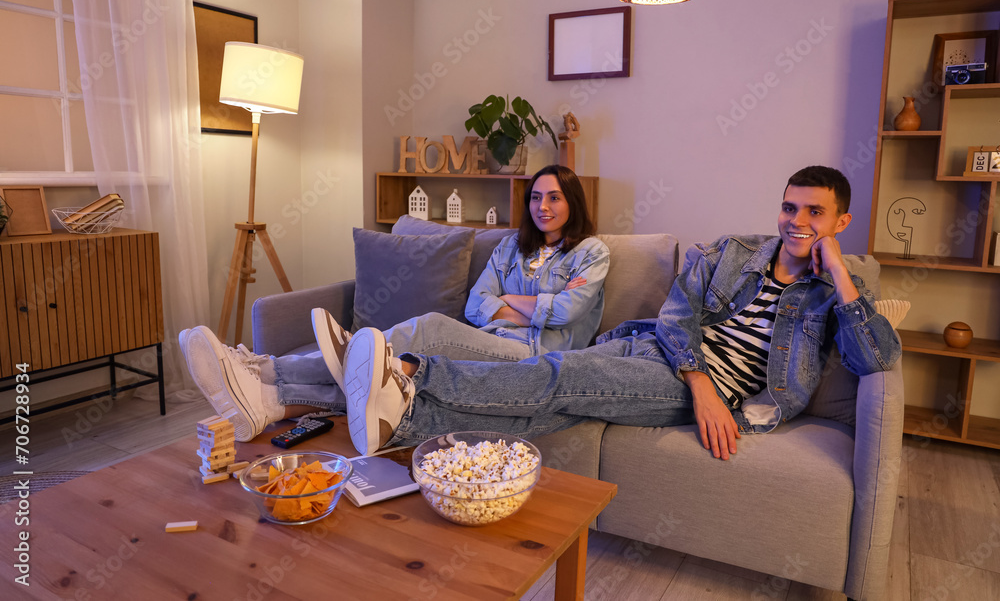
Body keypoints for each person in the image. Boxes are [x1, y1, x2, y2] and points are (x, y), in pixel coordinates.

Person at [337, 165, 902, 457]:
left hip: (682, 385)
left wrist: (843, 279)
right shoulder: (734, 251)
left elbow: (876, 359)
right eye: (788, 207)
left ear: (839, 222)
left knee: (558, 376)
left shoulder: (836, 294)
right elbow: (677, 314)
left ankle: (409, 375)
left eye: (814, 213)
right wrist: (701, 383)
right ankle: (398, 423)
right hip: (656, 352)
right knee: (552, 410)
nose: (796, 221)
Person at [180, 165, 609, 441]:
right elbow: (479, 303)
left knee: (430, 328)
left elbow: (568, 312)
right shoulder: (512, 247)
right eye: (536, 197)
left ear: (572, 201)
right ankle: (266, 402)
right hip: (491, 340)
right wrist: (526, 307)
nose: (543, 206)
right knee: (386, 374)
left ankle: (266, 367)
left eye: (553, 197)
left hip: (536, 356)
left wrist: (511, 302)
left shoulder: (592, 253)